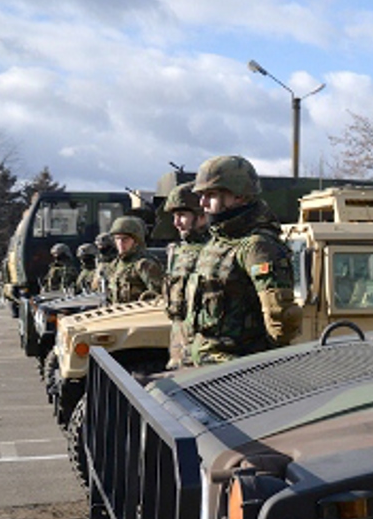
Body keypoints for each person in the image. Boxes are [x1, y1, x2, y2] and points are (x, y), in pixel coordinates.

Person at [183, 155, 301, 365]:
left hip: (235, 371)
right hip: (205, 362)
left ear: (239, 196)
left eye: (210, 195)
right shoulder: (219, 240)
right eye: (201, 195)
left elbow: (281, 323)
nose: (202, 203)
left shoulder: (257, 247)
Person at [162, 182, 209, 368]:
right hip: (178, 345)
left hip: (201, 350)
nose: (176, 223)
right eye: (174, 216)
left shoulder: (213, 252)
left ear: (202, 216)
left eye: (182, 215)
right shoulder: (179, 252)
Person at [106, 216, 164, 304]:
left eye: (125, 239)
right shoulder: (114, 265)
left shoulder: (144, 265)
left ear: (136, 241)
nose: (120, 243)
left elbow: (159, 297)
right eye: (117, 239)